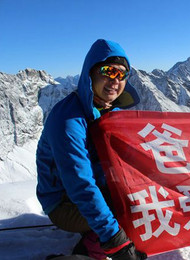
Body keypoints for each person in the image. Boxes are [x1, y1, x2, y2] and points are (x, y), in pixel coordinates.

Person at [36, 39, 146, 260]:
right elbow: (81, 184)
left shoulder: (103, 110)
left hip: (87, 190)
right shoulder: (69, 119)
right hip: (63, 203)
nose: (115, 80)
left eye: (122, 74)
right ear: (91, 72)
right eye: (108, 71)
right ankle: (87, 253)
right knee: (125, 210)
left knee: (140, 196)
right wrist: (116, 241)